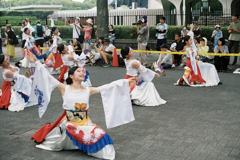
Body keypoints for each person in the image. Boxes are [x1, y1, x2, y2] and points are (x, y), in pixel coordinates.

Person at [26, 50, 136, 160]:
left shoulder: (88, 90)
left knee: (102, 136)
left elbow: (108, 87)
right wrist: (36, 61)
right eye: (78, 71)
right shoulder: (64, 88)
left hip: (85, 122)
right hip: (69, 123)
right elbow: (47, 77)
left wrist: (125, 82)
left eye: (82, 71)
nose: (82, 73)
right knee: (56, 142)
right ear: (71, 76)